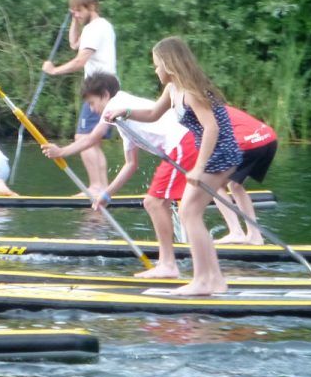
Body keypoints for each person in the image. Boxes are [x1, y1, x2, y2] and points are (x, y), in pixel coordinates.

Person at [103, 37, 241, 296]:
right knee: (190, 212)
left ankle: (203, 280)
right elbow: (153, 114)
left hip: (220, 153)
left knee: (189, 212)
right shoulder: (172, 90)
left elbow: (212, 128)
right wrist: (125, 112)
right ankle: (215, 281)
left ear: (170, 64)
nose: (155, 70)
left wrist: (199, 168)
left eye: (157, 65)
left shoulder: (190, 92)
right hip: (211, 153)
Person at [41, 72, 197, 278]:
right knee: (167, 203)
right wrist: (106, 195)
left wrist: (62, 151)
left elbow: (93, 137)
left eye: (92, 102)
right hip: (186, 143)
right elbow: (131, 164)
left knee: (153, 203)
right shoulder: (122, 122)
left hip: (182, 143)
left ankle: (168, 265)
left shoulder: (118, 104)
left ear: (105, 95)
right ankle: (182, 259)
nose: (91, 108)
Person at [40, 0, 117, 196]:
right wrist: (75, 20)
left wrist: (54, 71)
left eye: (79, 10)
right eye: (73, 11)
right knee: (88, 138)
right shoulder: (98, 27)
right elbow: (75, 44)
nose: (76, 14)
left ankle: (97, 187)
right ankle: (100, 187)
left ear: (91, 6)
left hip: (100, 88)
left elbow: (80, 60)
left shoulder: (95, 29)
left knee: (84, 137)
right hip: (103, 87)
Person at [215, 107, 278, 245]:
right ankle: (255, 237)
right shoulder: (218, 106)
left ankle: (236, 232)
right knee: (235, 185)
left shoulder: (196, 111)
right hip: (269, 137)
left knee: (213, 184)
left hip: (248, 143)